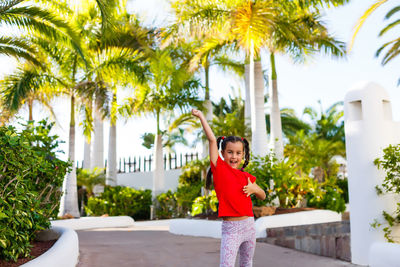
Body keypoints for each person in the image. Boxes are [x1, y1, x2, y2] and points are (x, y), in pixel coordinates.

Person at [191, 108, 266, 267]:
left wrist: (255, 189)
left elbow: (263, 195)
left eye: (238, 153)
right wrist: (201, 116)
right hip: (231, 229)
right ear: (223, 154)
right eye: (230, 152)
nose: (234, 156)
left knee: (247, 263)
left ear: (243, 155)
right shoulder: (220, 169)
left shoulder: (247, 177)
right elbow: (212, 140)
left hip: (249, 226)